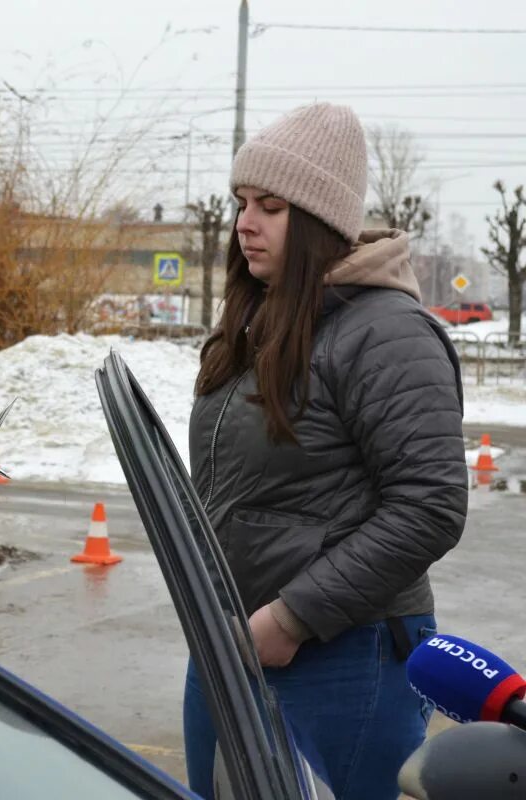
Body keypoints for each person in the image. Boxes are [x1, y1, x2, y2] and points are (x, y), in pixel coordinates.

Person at [181, 103, 467, 799]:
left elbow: (431, 504)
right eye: (242, 202)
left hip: (342, 654)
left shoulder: (386, 331)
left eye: (271, 207)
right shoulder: (261, 322)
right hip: (232, 645)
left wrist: (293, 617)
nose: (245, 222)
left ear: (318, 222)